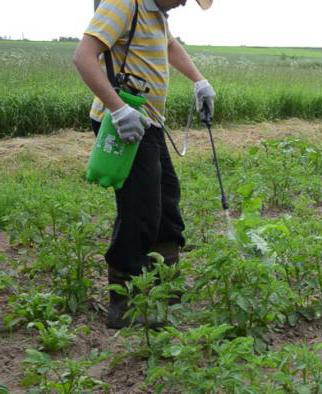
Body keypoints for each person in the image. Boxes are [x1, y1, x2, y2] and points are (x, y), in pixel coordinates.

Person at [73, 0, 216, 329]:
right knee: (140, 209)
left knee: (166, 201)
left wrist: (198, 80)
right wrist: (118, 108)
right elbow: (83, 56)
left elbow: (168, 44)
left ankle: (165, 286)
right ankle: (123, 300)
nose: (183, 2)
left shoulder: (157, 13)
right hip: (125, 123)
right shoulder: (124, 3)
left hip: (149, 123)